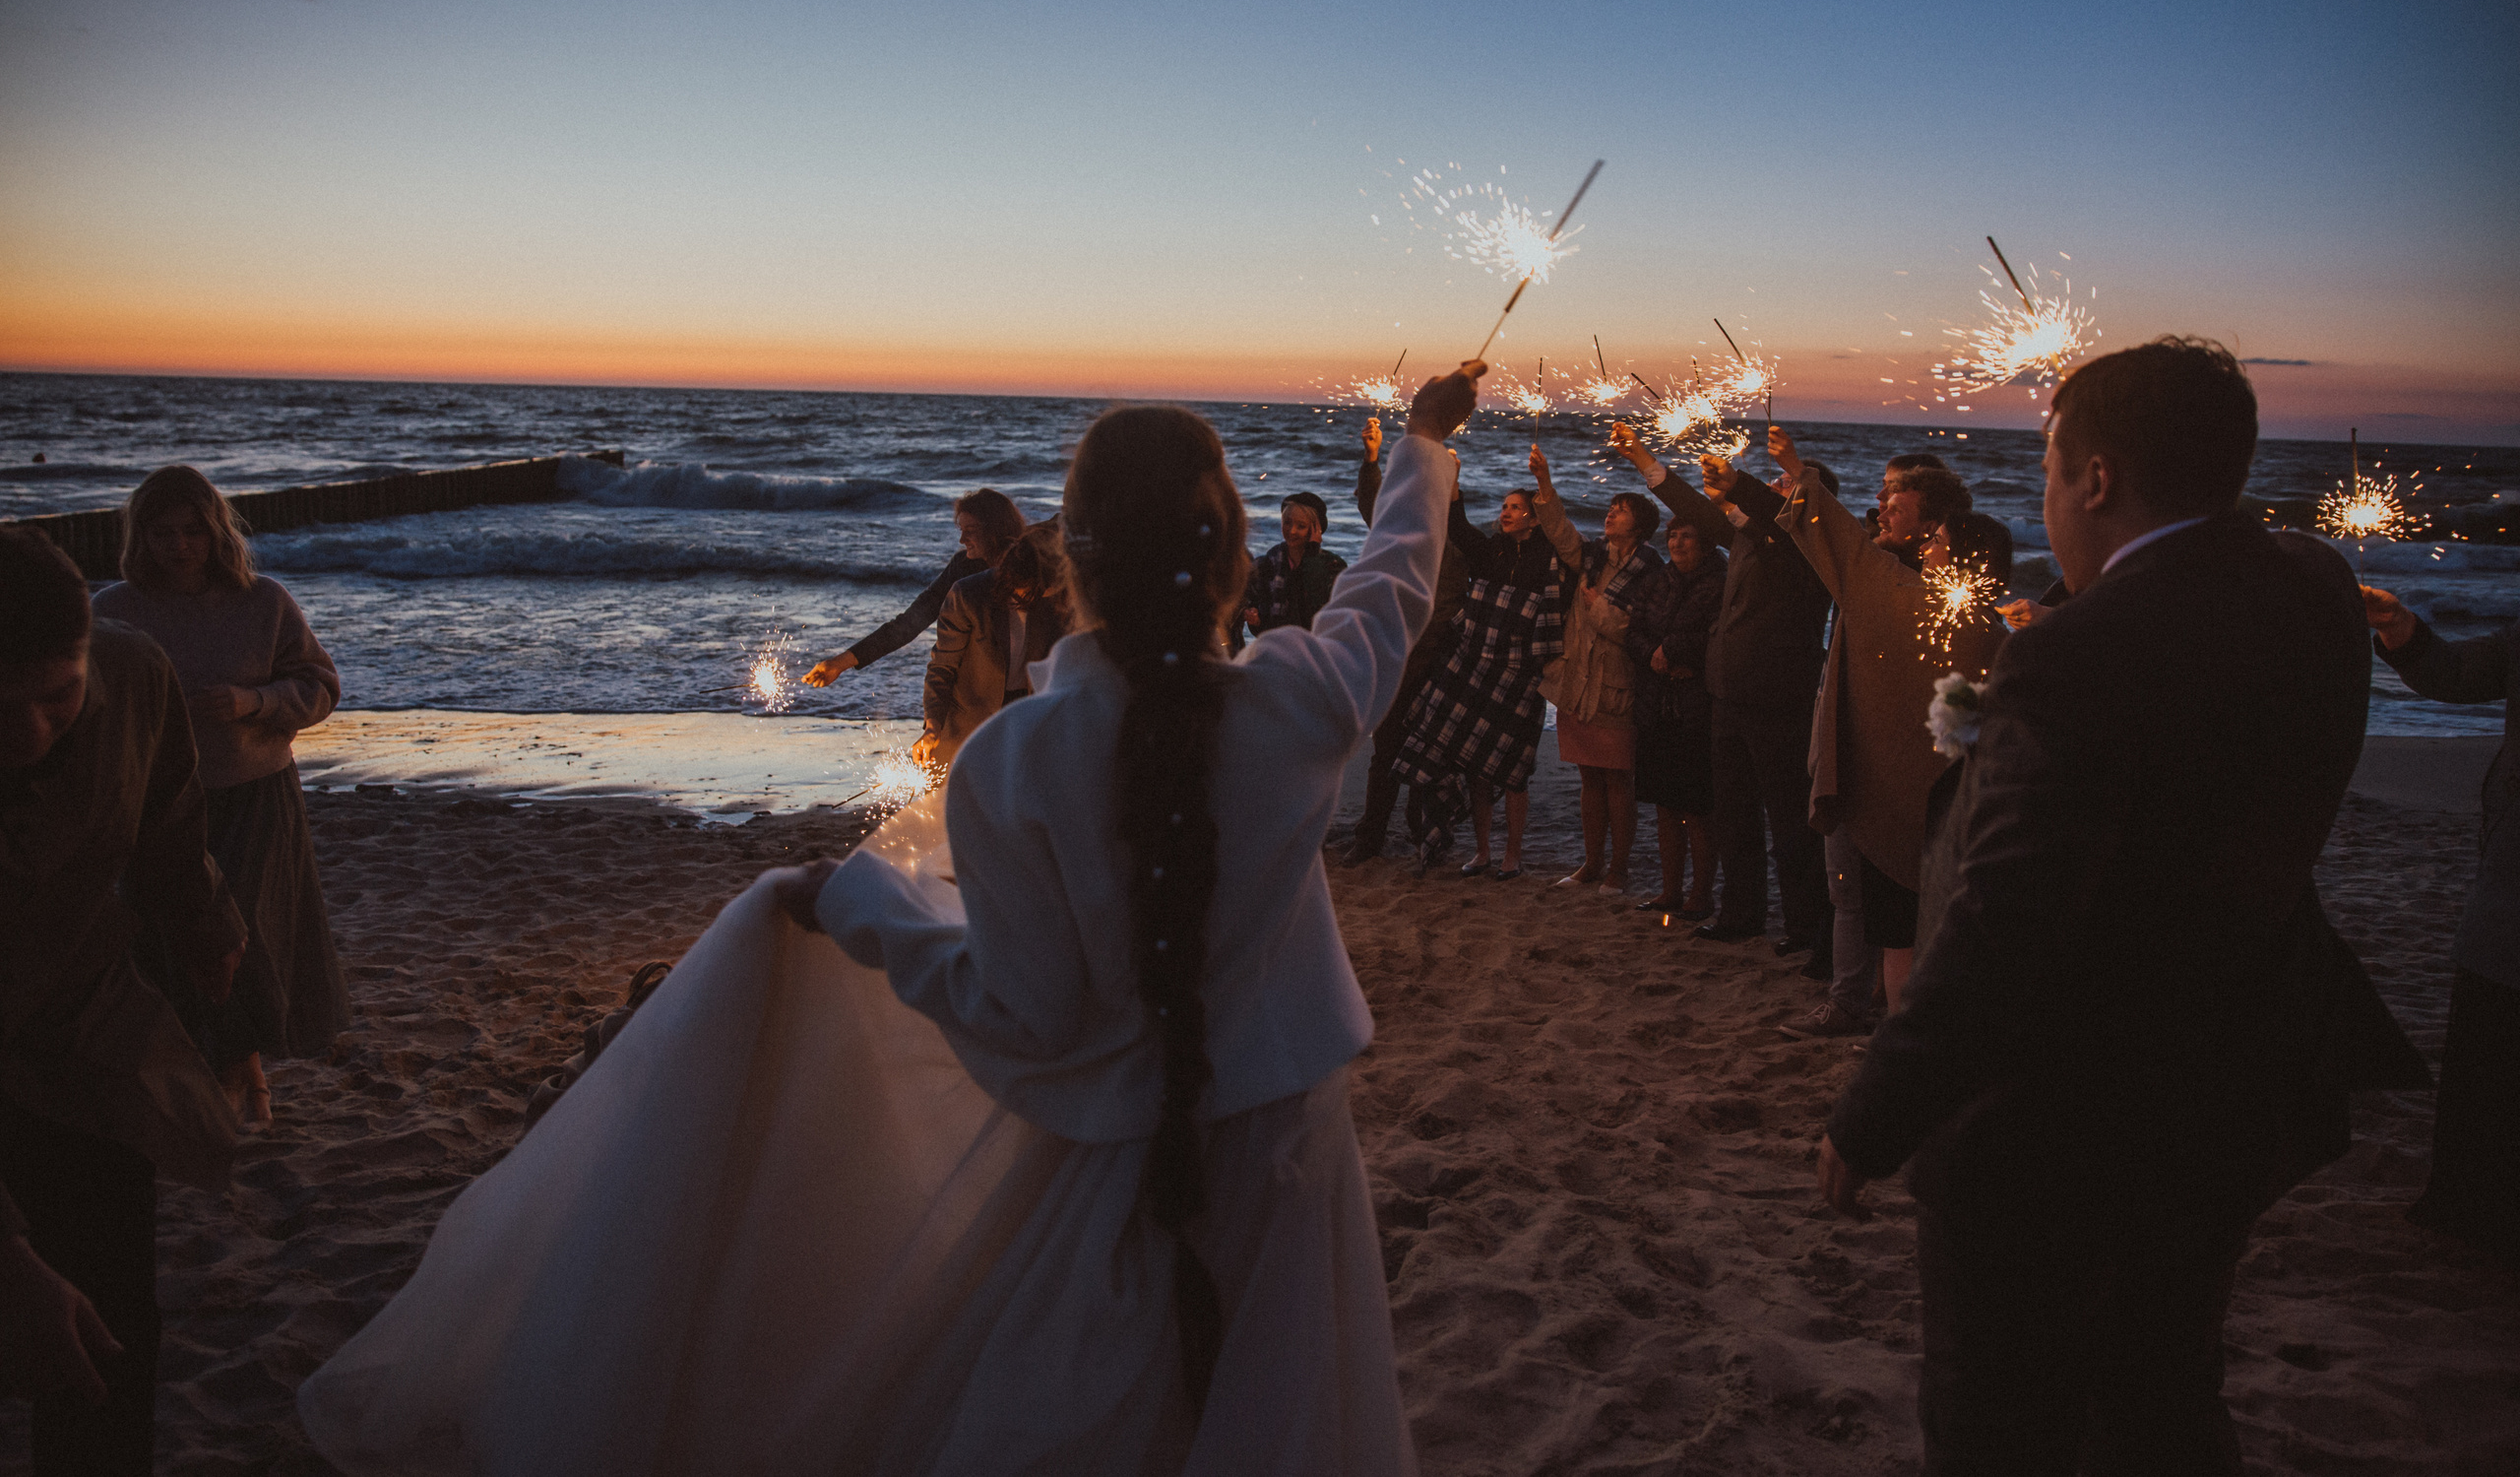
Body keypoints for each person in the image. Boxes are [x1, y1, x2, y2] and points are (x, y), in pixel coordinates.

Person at [297, 362, 1486, 1476]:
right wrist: (1423, 447)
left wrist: (868, 905)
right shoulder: (1305, 700)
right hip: (1289, 1162)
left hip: (1110, 1173)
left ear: (1071, 560)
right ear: (1229, 551)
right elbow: (1393, 586)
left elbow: (1023, 1013)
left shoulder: (1016, 758)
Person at [1816, 339, 2428, 1473]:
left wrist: (1875, 1113)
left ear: (2095, 479)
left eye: (2052, 467)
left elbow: (2004, 927)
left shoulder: (2074, 660)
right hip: (2238, 1080)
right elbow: (2202, 613)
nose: (2046, 497)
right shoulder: (2313, 587)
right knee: (2164, 1387)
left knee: (2003, 1414)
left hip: (2067, 1120)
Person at [1, 525, 245, 1475]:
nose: (28, 734)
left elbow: (171, 817)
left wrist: (208, 931)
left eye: (56, 698)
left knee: (106, 1330)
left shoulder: (136, 674)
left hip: (84, 1032)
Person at [1730, 428, 2008, 1039]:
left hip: (1902, 786)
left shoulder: (1902, 594)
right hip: (1867, 763)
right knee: (1859, 899)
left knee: (1893, 912)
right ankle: (1857, 999)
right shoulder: (1981, 623)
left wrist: (1793, 469)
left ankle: (1887, 1018)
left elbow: (1838, 540)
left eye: (1932, 536)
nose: (1882, 509)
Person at [92, 467, 347, 1125]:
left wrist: (253, 701)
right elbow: (84, 703)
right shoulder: (114, 610)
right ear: (141, 537)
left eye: (193, 532)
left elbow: (320, 684)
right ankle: (233, 1072)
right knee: (176, 943)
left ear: (216, 532)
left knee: (247, 941)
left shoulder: (262, 601)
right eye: (163, 533)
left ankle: (242, 1070)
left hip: (255, 793)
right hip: (158, 804)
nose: (179, 546)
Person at [1608, 422, 1835, 952]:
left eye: (1785, 485)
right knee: (1733, 814)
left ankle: (1805, 926)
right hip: (1728, 694)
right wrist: (1643, 459)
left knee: (1788, 819)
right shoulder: (1750, 537)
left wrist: (1747, 483)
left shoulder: (1808, 544)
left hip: (1778, 699)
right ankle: (1741, 912)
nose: (1775, 487)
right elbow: (1698, 510)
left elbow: (1784, 513)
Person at [2364, 585, 2516, 1265]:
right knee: (2490, 1025)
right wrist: (2401, 627)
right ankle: (2469, 1204)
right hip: (2510, 877)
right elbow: (2457, 674)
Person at [1391, 482, 1566, 877]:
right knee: (1475, 766)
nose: (1506, 512)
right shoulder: (1492, 551)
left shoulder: (1548, 558)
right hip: (1478, 669)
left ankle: (1512, 856)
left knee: (1514, 771)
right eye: (1504, 506)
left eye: (1516, 507)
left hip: (1519, 676)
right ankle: (1483, 851)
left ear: (1535, 518)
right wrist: (1452, 485)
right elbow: (1459, 528)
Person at [1529, 448, 1661, 892]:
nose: (1610, 514)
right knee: (1588, 777)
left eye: (1620, 511)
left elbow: (1639, 630)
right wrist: (1544, 481)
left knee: (1618, 780)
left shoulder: (1650, 570)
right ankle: (1591, 864)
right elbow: (1559, 531)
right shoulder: (1592, 557)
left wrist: (1599, 608)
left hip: (1616, 688)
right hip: (1578, 683)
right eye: (1611, 508)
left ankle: (1619, 870)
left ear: (1639, 526)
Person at [1341, 417, 1471, 866]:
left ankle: (1423, 835)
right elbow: (1373, 507)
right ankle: (1370, 838)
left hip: (1441, 664)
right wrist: (1372, 458)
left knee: (1431, 756)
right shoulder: (1405, 528)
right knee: (1386, 754)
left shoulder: (1462, 539)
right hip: (1398, 657)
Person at [802, 488, 1027, 688]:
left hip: (1027, 687)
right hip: (977, 692)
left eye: (971, 530)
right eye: (961, 529)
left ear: (994, 529)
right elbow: (911, 621)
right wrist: (839, 663)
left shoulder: (1031, 566)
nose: (962, 539)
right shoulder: (962, 567)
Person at [1625, 515, 1725, 916]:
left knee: (1696, 807)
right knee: (1664, 804)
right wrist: (1654, 654)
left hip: (1696, 708)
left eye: (1687, 536)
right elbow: (1633, 630)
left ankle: (1701, 894)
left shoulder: (1719, 582)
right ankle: (1670, 891)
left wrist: (1676, 651)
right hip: (1655, 703)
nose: (1678, 543)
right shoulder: (1657, 581)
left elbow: (1718, 635)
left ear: (1705, 543)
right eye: (1673, 536)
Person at [912, 521, 1070, 771]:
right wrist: (932, 727)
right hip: (967, 726)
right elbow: (942, 668)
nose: (1054, 591)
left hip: (1026, 721)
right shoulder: (968, 595)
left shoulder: (1059, 600)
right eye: (1049, 588)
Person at [1241, 491, 1345, 638]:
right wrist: (1255, 620)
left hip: (1317, 648)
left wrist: (1312, 556)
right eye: (1287, 523)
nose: (1292, 531)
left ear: (1317, 529)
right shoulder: (1266, 564)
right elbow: (1262, 626)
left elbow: (1322, 618)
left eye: (1301, 526)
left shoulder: (1333, 567)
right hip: (1277, 646)